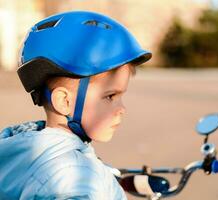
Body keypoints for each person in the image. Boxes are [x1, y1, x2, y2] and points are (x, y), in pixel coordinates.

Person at [0, 10, 151, 200]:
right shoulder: (75, 179)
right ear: (65, 101)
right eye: (110, 96)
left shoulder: (23, 150)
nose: (122, 109)